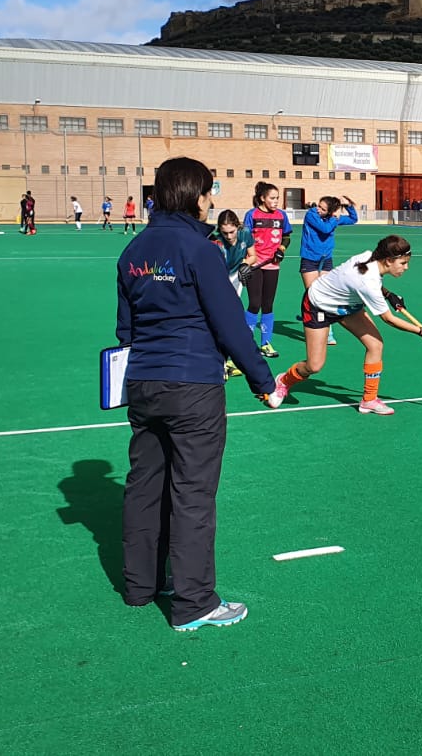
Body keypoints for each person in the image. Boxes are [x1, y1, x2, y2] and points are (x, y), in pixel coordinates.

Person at [116, 156, 276, 631]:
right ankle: (194, 603)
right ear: (194, 195)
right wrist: (263, 382)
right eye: (209, 192)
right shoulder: (199, 249)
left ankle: (140, 586)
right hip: (192, 387)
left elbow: (125, 330)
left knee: (144, 486)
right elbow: (230, 323)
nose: (211, 202)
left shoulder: (133, 252)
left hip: (143, 384)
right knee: (193, 493)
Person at [266, 235, 422, 416]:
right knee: (314, 366)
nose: (406, 268)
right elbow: (388, 319)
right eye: (403, 263)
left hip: (348, 306)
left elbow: (370, 281)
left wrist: (388, 294)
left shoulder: (369, 258)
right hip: (318, 305)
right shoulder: (367, 282)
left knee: (375, 345)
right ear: (388, 261)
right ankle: (284, 381)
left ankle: (369, 400)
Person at [299, 195, 358, 346]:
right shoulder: (312, 214)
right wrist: (334, 217)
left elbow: (353, 219)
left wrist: (348, 206)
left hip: (325, 260)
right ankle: (311, 327)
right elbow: (325, 229)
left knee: (325, 295)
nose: (318, 209)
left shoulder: (332, 217)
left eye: (323, 208)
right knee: (312, 295)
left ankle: (328, 332)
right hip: (310, 260)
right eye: (319, 205)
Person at [242, 182, 291, 358]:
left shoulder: (281, 216)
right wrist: (246, 261)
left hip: (272, 265)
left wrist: (281, 250)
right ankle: (246, 343)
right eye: (272, 198)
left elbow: (286, 237)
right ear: (262, 198)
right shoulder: (252, 215)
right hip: (255, 264)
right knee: (254, 304)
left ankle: (265, 344)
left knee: (268, 305)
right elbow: (245, 239)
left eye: (277, 198)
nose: (276, 201)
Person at [208, 209, 256, 381]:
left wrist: (245, 264)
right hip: (218, 278)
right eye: (225, 232)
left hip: (236, 277)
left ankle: (226, 362)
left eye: (232, 231)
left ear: (237, 226)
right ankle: (218, 364)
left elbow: (253, 256)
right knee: (218, 320)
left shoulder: (245, 235)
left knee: (231, 319)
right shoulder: (215, 241)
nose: (229, 236)